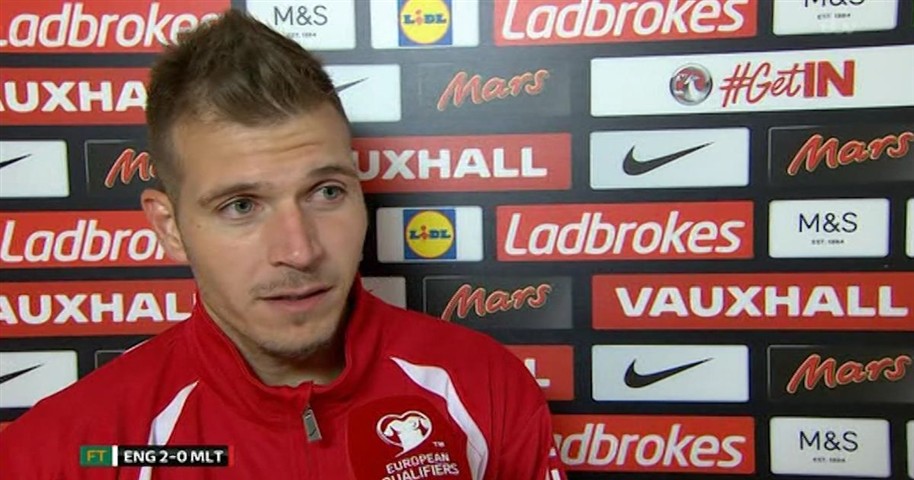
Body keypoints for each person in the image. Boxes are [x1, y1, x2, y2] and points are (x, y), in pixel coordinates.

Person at [0, 9, 567, 480]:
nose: (300, 251)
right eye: (241, 206)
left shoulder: (481, 386)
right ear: (169, 226)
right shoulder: (73, 449)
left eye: (326, 192)